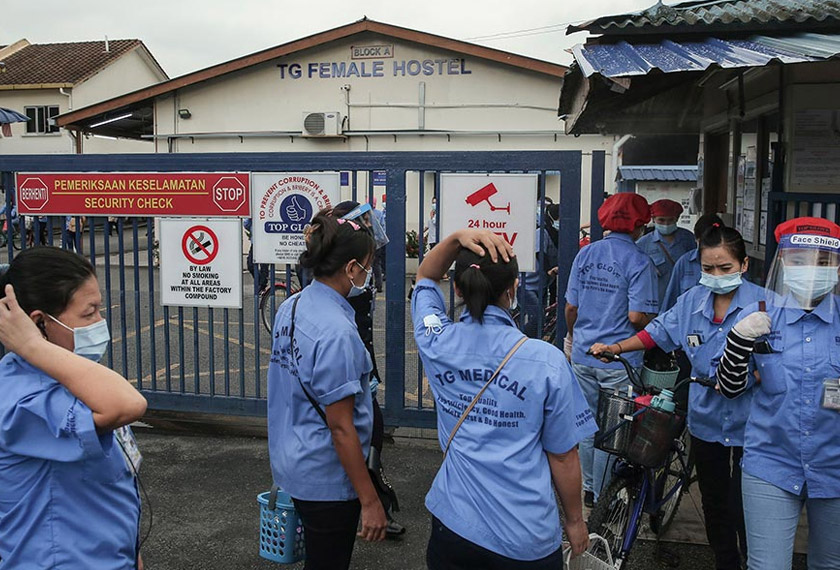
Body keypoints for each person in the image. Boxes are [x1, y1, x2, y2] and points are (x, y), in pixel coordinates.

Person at [412, 227, 596, 569]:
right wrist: (574, 522)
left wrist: (456, 239)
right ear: (512, 291)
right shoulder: (545, 360)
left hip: (454, 525)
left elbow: (425, 275)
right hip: (525, 536)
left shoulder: (436, 340)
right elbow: (564, 457)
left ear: (456, 288)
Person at [590, 225, 763, 570]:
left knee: (745, 504)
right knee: (714, 501)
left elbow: (781, 362)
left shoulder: (766, 305)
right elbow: (657, 332)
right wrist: (615, 348)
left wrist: (750, 377)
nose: (715, 276)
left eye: (725, 268)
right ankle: (726, 562)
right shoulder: (691, 302)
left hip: (754, 423)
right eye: (708, 268)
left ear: (743, 265)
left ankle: (753, 560)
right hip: (705, 419)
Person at [0, 247, 148, 569]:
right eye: (89, 313)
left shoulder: (68, 377)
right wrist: (32, 346)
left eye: (100, 310)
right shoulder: (21, 399)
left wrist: (129, 548)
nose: (100, 322)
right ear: (39, 323)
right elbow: (129, 404)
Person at [715, 217, 840, 570]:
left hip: (835, 463)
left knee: (830, 565)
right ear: (783, 262)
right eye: (798, 260)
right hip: (771, 462)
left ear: (836, 267)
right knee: (767, 566)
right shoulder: (759, 318)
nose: (810, 270)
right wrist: (738, 341)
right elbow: (730, 388)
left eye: (821, 262)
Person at [268, 211, 387, 570]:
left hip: (293, 459)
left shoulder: (292, 306)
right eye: (367, 266)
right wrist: (369, 500)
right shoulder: (337, 332)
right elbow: (340, 426)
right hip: (326, 477)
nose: (369, 274)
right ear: (351, 269)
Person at [565, 192, 659, 506]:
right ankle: (605, 498)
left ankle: (590, 490)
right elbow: (636, 317)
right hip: (619, 361)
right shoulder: (640, 261)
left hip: (583, 355)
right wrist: (652, 320)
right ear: (639, 225)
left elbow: (570, 307)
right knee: (613, 430)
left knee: (587, 428)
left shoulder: (586, 254)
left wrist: (572, 338)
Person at [332, 200, 404, 537]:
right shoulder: (341, 274)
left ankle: (374, 502)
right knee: (362, 431)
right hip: (350, 364)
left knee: (368, 432)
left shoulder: (361, 267)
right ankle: (374, 504)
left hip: (363, 360)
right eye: (363, 223)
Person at [636, 199, 696, 304]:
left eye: (670, 220)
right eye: (661, 220)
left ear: (677, 219)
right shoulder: (643, 244)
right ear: (653, 219)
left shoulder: (688, 238)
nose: (666, 224)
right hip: (657, 300)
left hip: (684, 298)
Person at [662, 213, 726, 311]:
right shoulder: (684, 263)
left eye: (715, 244)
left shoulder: (732, 262)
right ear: (696, 240)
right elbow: (670, 303)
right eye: (706, 244)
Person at [520, 203, 559, 338]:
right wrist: (548, 269)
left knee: (539, 322)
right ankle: (519, 341)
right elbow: (540, 253)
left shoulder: (558, 235)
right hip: (526, 284)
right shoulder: (542, 232)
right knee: (538, 317)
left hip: (542, 284)